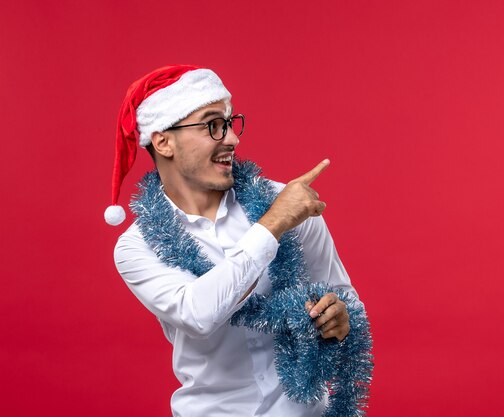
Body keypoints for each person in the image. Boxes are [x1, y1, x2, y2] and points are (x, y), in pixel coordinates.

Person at [104, 65, 370, 417]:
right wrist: (273, 223)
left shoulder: (288, 202)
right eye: (213, 125)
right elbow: (198, 314)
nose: (231, 139)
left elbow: (346, 299)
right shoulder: (136, 247)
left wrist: (339, 316)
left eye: (230, 123)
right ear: (163, 141)